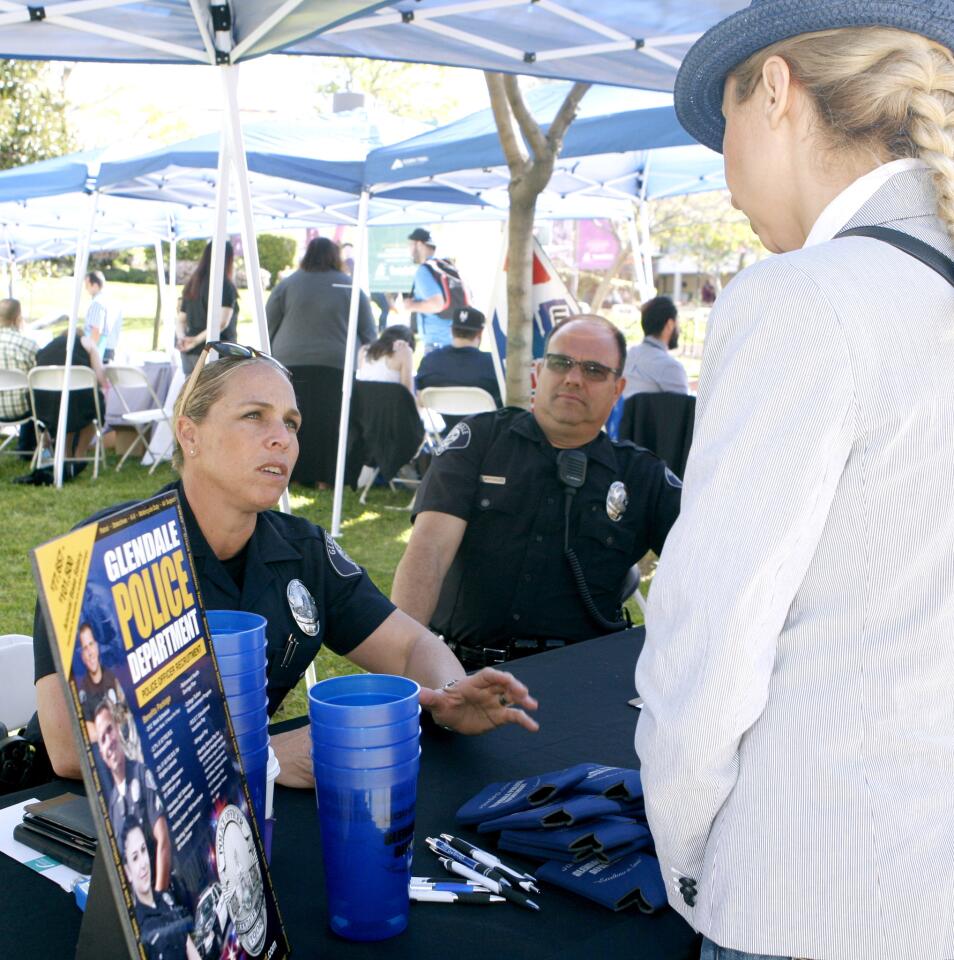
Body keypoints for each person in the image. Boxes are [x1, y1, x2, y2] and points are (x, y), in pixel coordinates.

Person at [634, 4, 954, 960]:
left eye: (722, 123)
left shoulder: (806, 295)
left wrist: (686, 849)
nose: (721, 169)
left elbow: (711, 637)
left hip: (815, 889)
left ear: (775, 91)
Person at [33, 342, 539, 791]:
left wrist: (450, 695)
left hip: (235, 816)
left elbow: (410, 647)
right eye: (255, 415)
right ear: (190, 434)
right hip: (90, 824)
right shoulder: (101, 555)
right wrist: (266, 759)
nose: (283, 439)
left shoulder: (302, 551)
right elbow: (70, 751)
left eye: (291, 423)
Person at [391, 315, 682, 672]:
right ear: (539, 372)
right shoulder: (480, 441)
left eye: (593, 370)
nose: (573, 378)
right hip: (463, 671)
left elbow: (709, 570)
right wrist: (404, 670)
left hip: (582, 679)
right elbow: (429, 550)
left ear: (617, 388)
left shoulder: (642, 477)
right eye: (561, 363)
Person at [266, 237, 376, 487]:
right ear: (335, 257)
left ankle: (290, 475)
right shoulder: (351, 287)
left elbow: (267, 323)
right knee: (330, 424)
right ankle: (325, 478)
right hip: (337, 364)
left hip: (289, 363)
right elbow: (369, 332)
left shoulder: (288, 284)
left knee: (292, 422)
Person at [94, 700, 171, 891]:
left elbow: (163, 841)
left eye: (110, 730)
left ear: (118, 730)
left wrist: (159, 899)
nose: (108, 741)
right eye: (102, 739)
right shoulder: (111, 805)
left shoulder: (141, 773)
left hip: (163, 891)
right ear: (102, 754)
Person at [23, 329, 108, 484]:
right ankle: (79, 455)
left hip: (45, 403)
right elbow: (102, 379)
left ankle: (65, 455)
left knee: (65, 410)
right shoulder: (86, 342)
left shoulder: (47, 347)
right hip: (79, 400)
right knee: (92, 407)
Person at [121, 818, 200, 960]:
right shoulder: (138, 926)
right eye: (134, 858)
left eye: (143, 850)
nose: (143, 864)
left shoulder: (166, 899)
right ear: (127, 871)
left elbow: (189, 946)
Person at [415, 306, 503, 427]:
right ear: (480, 332)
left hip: (446, 437)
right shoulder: (493, 364)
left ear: (451, 330)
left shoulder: (430, 362)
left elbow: (419, 398)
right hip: (487, 435)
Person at [176, 241, 238, 375]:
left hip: (190, 352)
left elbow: (181, 319)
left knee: (192, 394)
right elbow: (222, 323)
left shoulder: (193, 283)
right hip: (216, 354)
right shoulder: (225, 285)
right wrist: (194, 341)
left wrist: (182, 338)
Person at [621, 296, 689, 397]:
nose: (680, 330)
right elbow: (683, 410)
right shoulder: (670, 367)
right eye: (677, 323)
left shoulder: (624, 357)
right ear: (670, 324)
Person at [402, 227, 454, 352]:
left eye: (410, 245)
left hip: (437, 343)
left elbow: (436, 304)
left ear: (419, 244)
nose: (409, 250)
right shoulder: (445, 266)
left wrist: (411, 305)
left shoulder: (424, 271)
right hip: (453, 338)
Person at [0, 297, 37, 456]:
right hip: (23, 409)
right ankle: (32, 446)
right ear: (18, 319)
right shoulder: (28, 344)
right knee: (33, 393)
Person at [356, 324, 415, 394]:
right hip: (391, 402)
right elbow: (408, 394)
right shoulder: (405, 350)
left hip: (364, 401)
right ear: (408, 343)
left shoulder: (363, 351)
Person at [83, 271, 123, 363]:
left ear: (95, 285)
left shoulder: (97, 303)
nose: (86, 288)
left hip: (99, 351)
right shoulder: (113, 302)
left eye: (87, 285)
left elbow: (96, 330)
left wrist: (89, 353)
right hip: (111, 349)